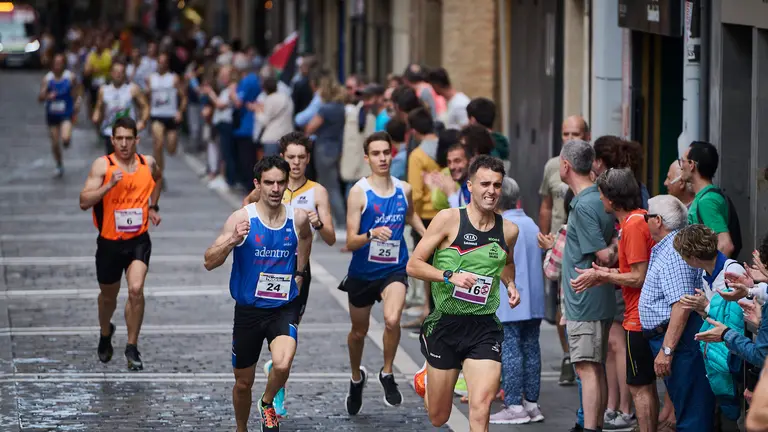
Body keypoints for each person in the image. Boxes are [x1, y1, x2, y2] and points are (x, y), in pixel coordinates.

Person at [409, 155, 521, 431]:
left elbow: (507, 264)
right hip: (445, 324)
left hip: (484, 326)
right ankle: (427, 375)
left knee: (481, 407)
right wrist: (449, 276)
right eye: (485, 184)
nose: (491, 191)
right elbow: (414, 264)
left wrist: (510, 285)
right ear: (469, 185)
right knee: (438, 417)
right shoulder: (448, 219)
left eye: (496, 185)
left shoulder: (508, 230)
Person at [203, 156, 312, 432]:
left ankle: (266, 403)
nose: (275, 189)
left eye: (280, 183)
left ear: (287, 184)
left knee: (283, 362)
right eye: (269, 183)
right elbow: (208, 261)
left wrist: (299, 273)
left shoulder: (296, 217)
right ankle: (241, 427)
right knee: (242, 383)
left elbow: (307, 237)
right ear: (257, 184)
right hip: (249, 311)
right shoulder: (242, 218)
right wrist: (232, 240)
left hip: (282, 307)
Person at [340, 131, 426, 415]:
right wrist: (371, 233)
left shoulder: (404, 189)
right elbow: (350, 241)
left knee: (392, 319)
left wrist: (428, 235)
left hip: (394, 268)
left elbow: (410, 214)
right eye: (376, 154)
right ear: (367, 158)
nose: (382, 158)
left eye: (386, 153)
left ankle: (387, 373)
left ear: (392, 153)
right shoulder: (359, 192)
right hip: (363, 272)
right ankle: (356, 378)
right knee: (358, 332)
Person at [571, 168, 656, 430]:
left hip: (637, 318)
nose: (599, 199)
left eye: (601, 193)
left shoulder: (632, 225)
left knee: (639, 387)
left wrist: (606, 277)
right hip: (641, 314)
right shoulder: (638, 220)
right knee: (644, 385)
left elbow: (638, 276)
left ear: (611, 198)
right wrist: (604, 273)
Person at [78, 117, 162, 371]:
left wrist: (153, 206)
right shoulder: (103, 166)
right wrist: (108, 186)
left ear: (137, 140)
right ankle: (106, 332)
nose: (124, 144)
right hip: (109, 243)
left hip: (138, 240)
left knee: (136, 289)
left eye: (129, 139)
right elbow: (84, 201)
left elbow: (158, 178)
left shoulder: (148, 163)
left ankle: (132, 346)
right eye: (119, 139)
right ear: (112, 140)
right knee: (108, 298)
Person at [639, 195, 715, 431]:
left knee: (692, 416)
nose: (644, 220)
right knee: (687, 409)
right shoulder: (667, 247)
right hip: (672, 340)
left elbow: (681, 305)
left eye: (646, 216)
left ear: (658, 220)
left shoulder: (674, 251)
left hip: (679, 342)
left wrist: (667, 350)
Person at [558, 140, 617, 432]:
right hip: (594, 298)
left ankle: (591, 428)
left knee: (586, 367)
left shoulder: (584, 205)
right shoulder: (597, 198)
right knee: (595, 366)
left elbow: (604, 255)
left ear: (566, 166)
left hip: (586, 300)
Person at [674, 224, 746, 429]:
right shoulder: (708, 274)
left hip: (733, 357)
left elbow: (733, 320)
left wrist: (705, 305)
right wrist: (702, 307)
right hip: (717, 354)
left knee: (736, 416)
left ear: (693, 257)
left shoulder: (731, 271)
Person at [537, 115, 590, 388]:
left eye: (576, 134)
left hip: (582, 244)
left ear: (587, 135)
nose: (570, 139)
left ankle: (584, 356)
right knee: (559, 306)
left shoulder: (590, 168)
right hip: (558, 244)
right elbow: (546, 204)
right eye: (566, 134)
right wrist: (544, 236)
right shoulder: (552, 167)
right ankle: (569, 355)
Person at [490, 177, 546, 425]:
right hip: (533, 300)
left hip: (510, 301)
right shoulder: (531, 224)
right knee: (531, 349)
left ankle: (513, 404)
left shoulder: (503, 225)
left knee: (511, 351)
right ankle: (531, 403)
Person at [680, 141, 737, 257]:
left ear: (692, 165)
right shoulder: (709, 196)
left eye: (682, 161)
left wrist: (713, 274)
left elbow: (726, 245)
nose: (681, 166)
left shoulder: (707, 201)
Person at [146, 53, 187, 186]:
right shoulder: (151, 79)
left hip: (170, 116)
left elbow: (184, 97)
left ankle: (158, 169)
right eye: (160, 62)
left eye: (164, 62)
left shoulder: (173, 78)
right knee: (158, 144)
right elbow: (146, 98)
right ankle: (159, 175)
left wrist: (180, 112)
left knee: (171, 149)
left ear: (167, 64)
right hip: (156, 115)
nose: (161, 64)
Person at [92, 61, 150, 155]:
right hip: (110, 132)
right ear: (111, 73)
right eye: (115, 72)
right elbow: (98, 108)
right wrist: (96, 115)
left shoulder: (132, 89)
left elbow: (145, 106)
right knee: (114, 166)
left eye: (121, 72)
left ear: (124, 74)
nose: (118, 74)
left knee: (129, 165)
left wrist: (142, 121)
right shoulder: (103, 90)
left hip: (128, 132)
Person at [39, 52, 81, 177]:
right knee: (55, 143)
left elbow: (77, 91)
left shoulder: (70, 77)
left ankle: (67, 139)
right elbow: (40, 97)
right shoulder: (48, 79)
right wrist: (47, 95)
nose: (57, 65)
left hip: (66, 113)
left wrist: (77, 102)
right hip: (52, 115)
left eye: (60, 63)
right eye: (55, 63)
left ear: (64, 64)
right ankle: (59, 164)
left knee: (65, 139)